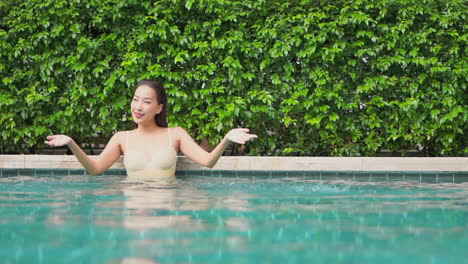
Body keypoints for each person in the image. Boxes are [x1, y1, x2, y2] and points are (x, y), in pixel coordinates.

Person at [45, 80, 257, 178]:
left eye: (146, 102)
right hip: (133, 209)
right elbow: (95, 169)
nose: (138, 107)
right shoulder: (122, 138)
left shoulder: (175, 134)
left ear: (158, 108)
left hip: (166, 208)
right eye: (135, 100)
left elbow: (208, 162)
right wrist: (71, 143)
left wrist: (227, 138)